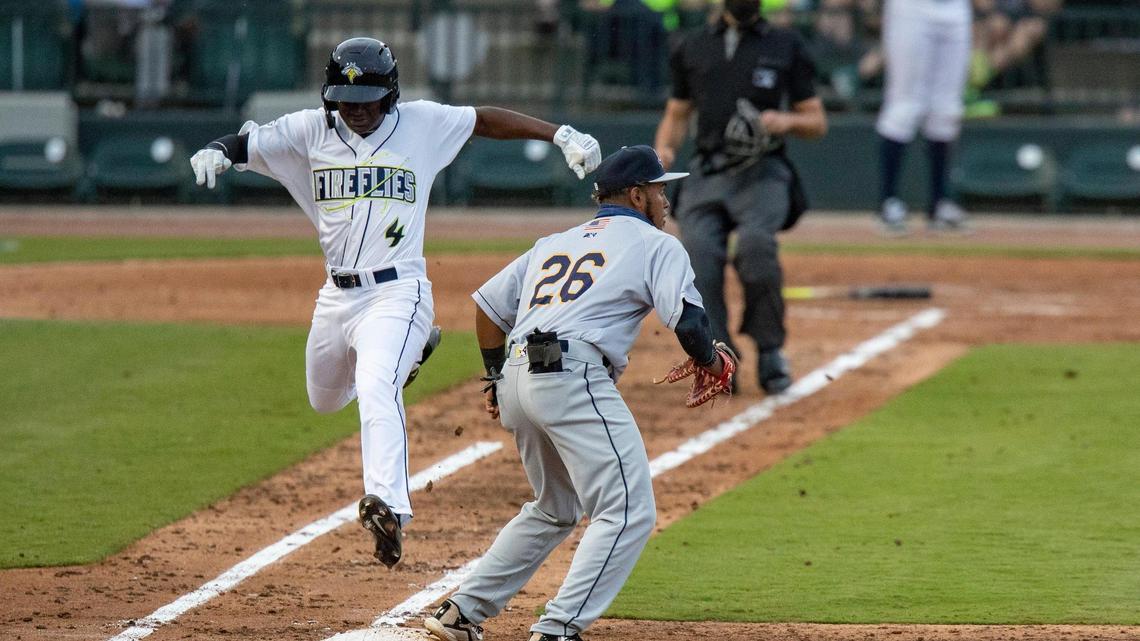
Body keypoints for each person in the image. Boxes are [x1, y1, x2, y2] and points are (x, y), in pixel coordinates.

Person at [188, 36, 601, 569]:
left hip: (398, 290)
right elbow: (245, 145)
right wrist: (217, 151)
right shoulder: (309, 130)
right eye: (346, 99)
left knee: (377, 384)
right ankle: (412, 355)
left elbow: (484, 119)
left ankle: (388, 506)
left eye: (368, 100)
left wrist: (558, 133)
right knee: (325, 398)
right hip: (336, 296)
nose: (357, 109)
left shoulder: (421, 125)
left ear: (391, 95)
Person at [422, 145, 735, 641]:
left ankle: (461, 612)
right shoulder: (658, 245)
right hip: (571, 376)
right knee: (628, 509)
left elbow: (487, 307)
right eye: (658, 189)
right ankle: (557, 630)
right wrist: (713, 361)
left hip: (519, 378)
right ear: (636, 196)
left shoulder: (554, 242)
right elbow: (691, 322)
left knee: (555, 507)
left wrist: (493, 376)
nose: (665, 199)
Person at [653, 0, 828, 396]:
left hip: (763, 171)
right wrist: (662, 153)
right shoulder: (693, 45)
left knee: (756, 246)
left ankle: (770, 351)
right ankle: (718, 358)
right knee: (698, 254)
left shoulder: (785, 44)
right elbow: (677, 114)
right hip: (708, 169)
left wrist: (785, 121)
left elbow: (816, 120)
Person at [875, 0, 972, 234]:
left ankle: (939, 203)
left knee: (947, 107)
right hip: (912, 7)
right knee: (904, 102)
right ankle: (889, 201)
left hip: (955, 7)